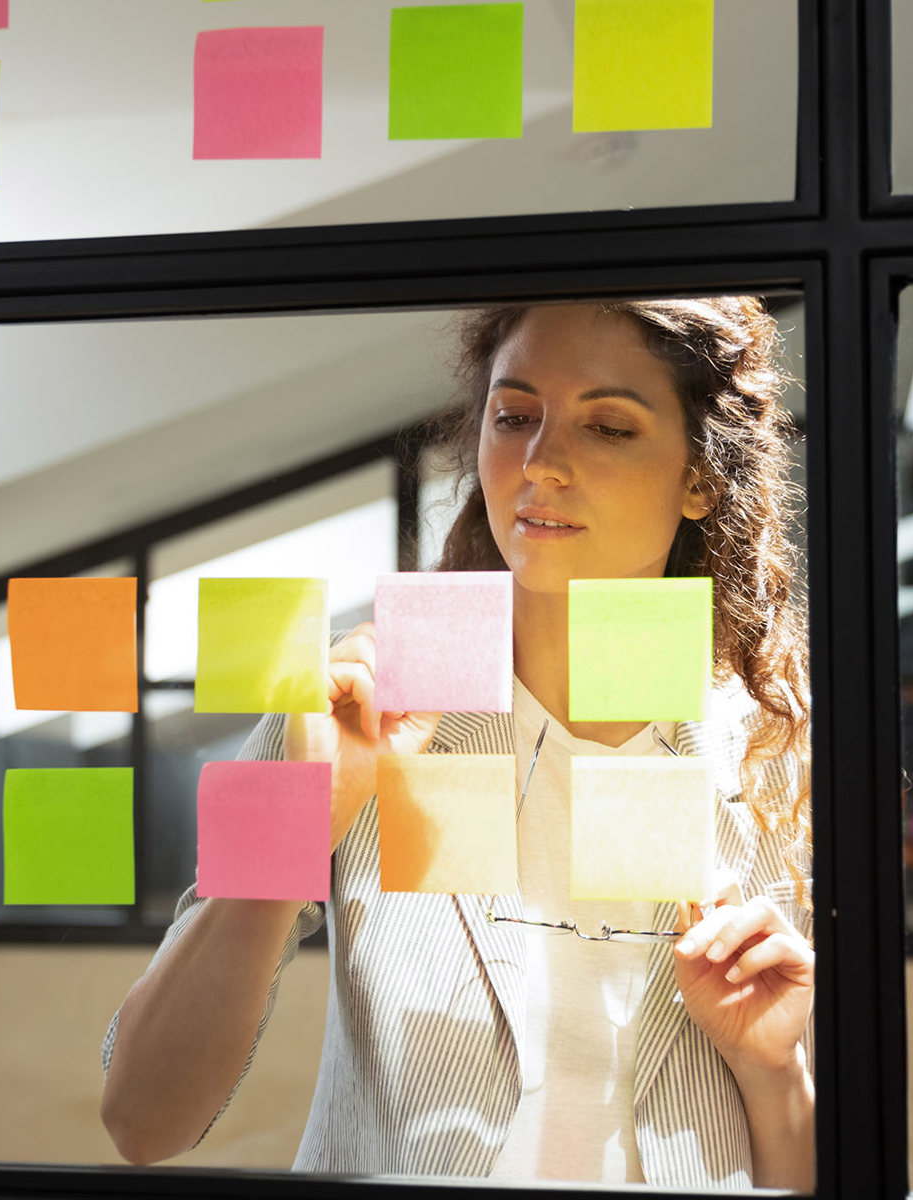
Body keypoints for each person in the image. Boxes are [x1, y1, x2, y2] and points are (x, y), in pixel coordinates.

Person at [99, 298, 814, 1191]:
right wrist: (298, 824)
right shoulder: (368, 701)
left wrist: (772, 1072)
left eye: (608, 427)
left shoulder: (775, 754)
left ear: (701, 477)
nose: (541, 462)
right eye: (514, 417)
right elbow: (142, 1118)